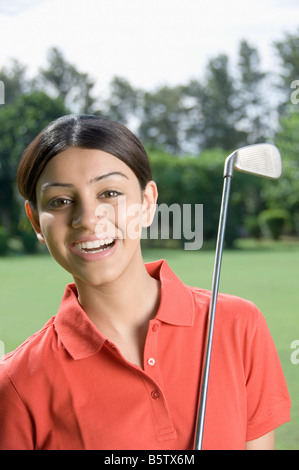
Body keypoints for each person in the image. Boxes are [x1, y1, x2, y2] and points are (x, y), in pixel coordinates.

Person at [0, 115, 291, 450]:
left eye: (109, 192)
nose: (88, 219)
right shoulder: (16, 382)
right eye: (61, 201)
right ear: (36, 221)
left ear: (148, 204)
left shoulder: (238, 325)